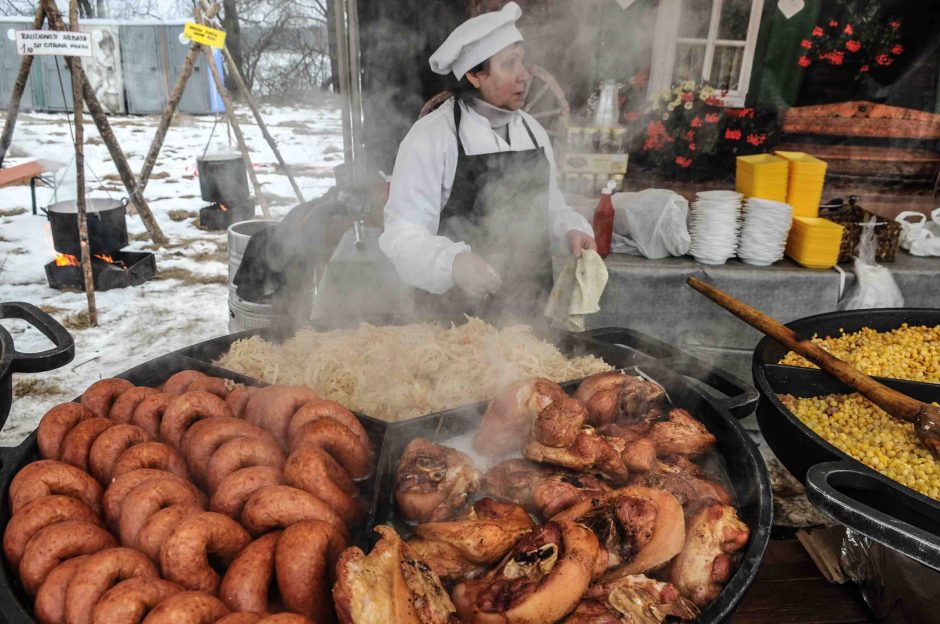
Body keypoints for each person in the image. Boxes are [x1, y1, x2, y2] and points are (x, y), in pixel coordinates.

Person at [378, 1, 596, 323]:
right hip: (451, 325)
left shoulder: (532, 130)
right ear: (474, 74)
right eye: (510, 64)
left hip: (528, 316)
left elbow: (550, 207)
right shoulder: (431, 138)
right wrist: (453, 262)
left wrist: (570, 228)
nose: (525, 75)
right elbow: (402, 237)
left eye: (523, 60)